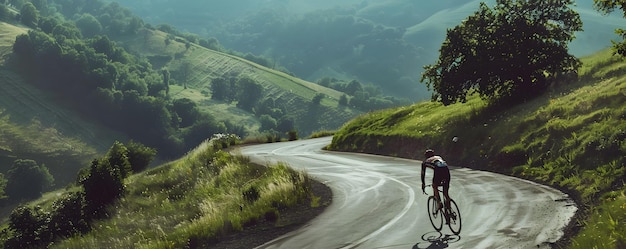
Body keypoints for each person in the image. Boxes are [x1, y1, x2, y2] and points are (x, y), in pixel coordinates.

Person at [421, 149, 451, 215]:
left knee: (434, 186)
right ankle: (450, 210)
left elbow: (423, 174)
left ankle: (439, 203)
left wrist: (423, 184)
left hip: (438, 171)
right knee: (445, 193)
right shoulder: (438, 157)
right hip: (446, 170)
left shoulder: (425, 162)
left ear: (426, 156)